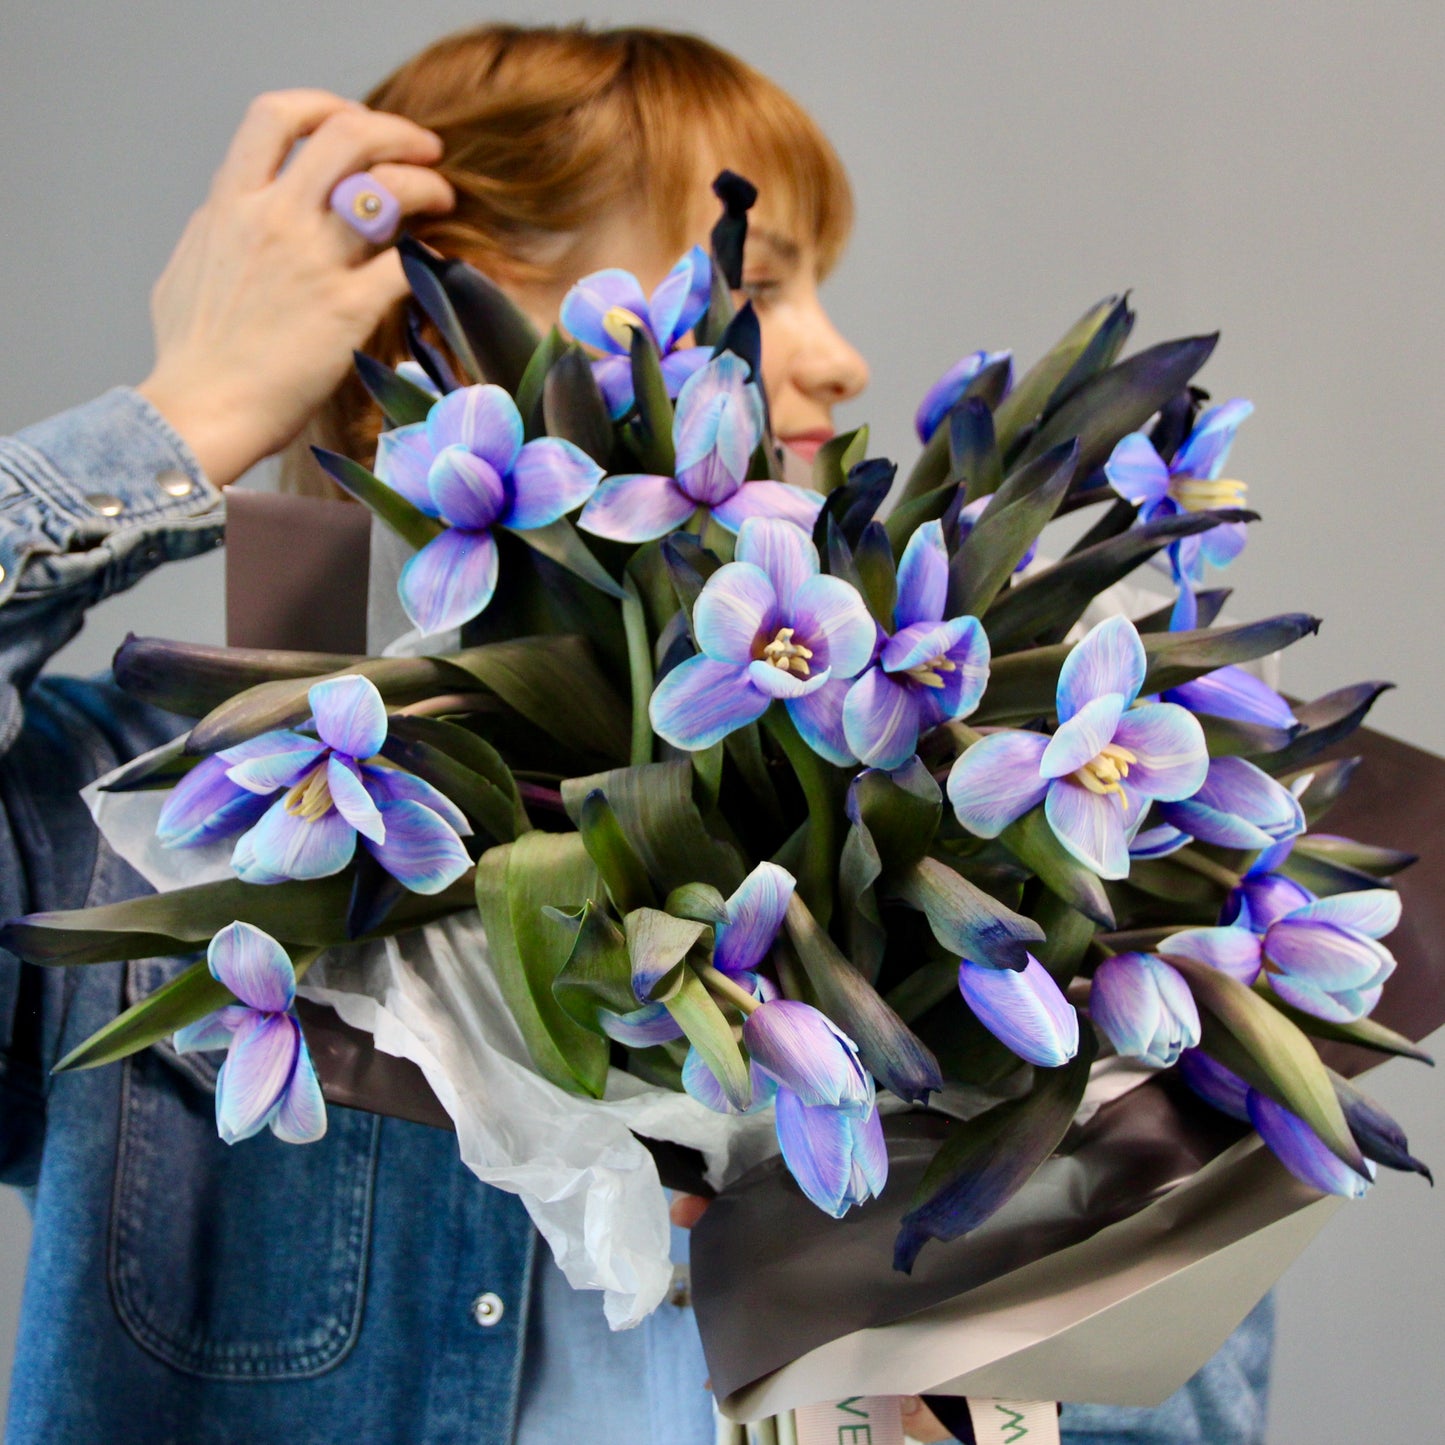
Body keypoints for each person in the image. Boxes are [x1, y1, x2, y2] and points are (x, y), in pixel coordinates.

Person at [0, 22, 1272, 1445]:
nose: (838, 359)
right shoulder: (136, 834)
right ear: (439, 326)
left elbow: (1186, 1415)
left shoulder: (1018, 855)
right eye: (756, 286)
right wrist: (183, 416)